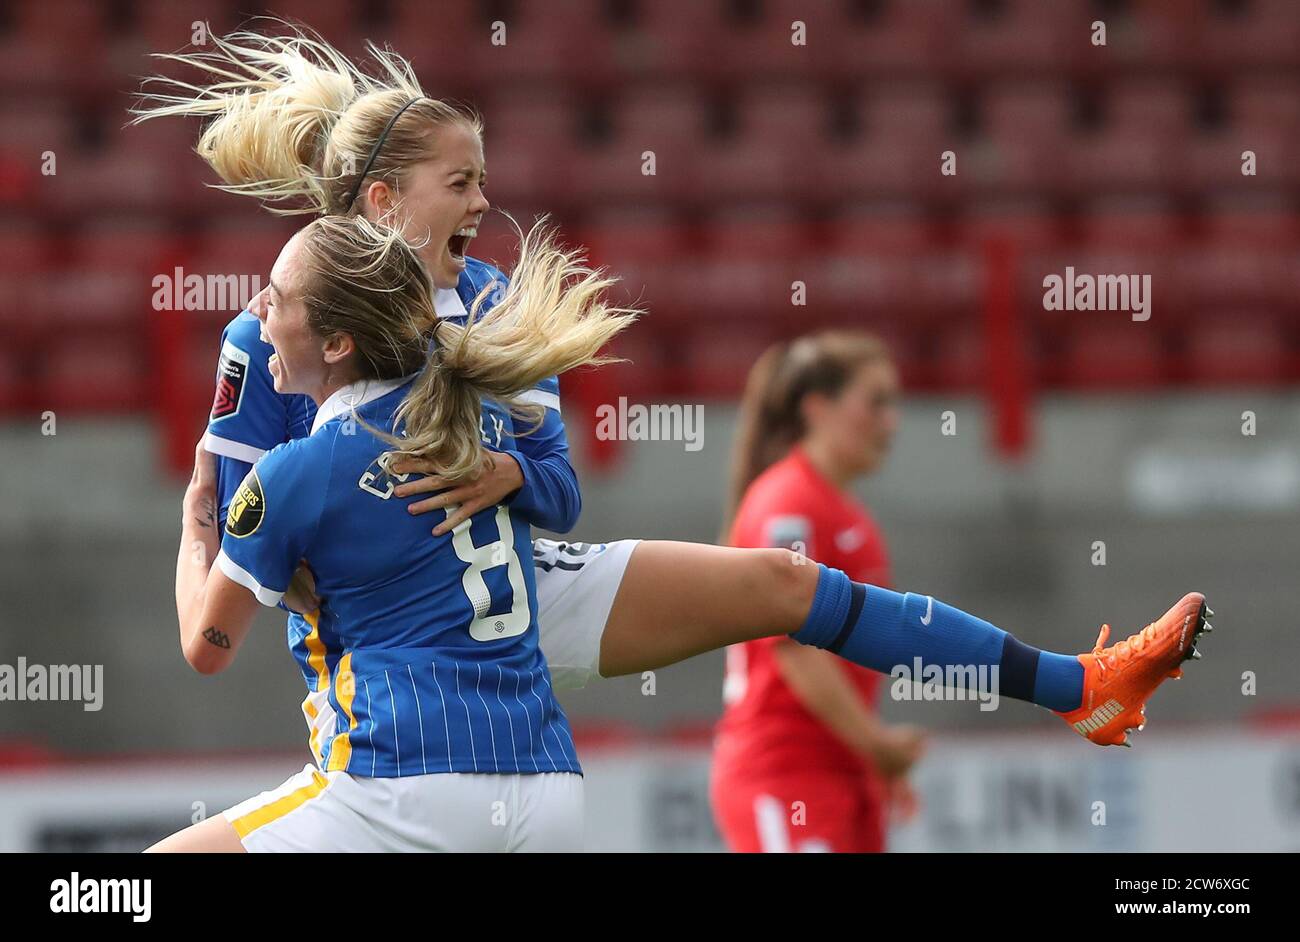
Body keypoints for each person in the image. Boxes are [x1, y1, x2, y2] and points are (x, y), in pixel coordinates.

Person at [134, 25, 1213, 756]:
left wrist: (503, 471)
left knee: (783, 583)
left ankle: (1082, 688)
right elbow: (241, 564)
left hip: (515, 580)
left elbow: (559, 498)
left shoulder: (497, 304)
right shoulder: (269, 334)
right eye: (460, 181)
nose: (485, 198)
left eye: (483, 176)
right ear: (381, 200)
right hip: (399, 640)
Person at [152, 214, 633, 851]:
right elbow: (558, 491)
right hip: (547, 782)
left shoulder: (294, 472)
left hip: (398, 782)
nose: (258, 308)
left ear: (335, 345)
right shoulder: (476, 418)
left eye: (278, 295)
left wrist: (196, 527)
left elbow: (206, 646)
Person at [711, 332, 923, 853]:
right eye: (875, 402)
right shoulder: (789, 506)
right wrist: (876, 744)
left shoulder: (850, 514)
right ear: (818, 408)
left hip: (843, 776)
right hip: (785, 774)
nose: (890, 421)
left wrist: (871, 757)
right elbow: (794, 649)